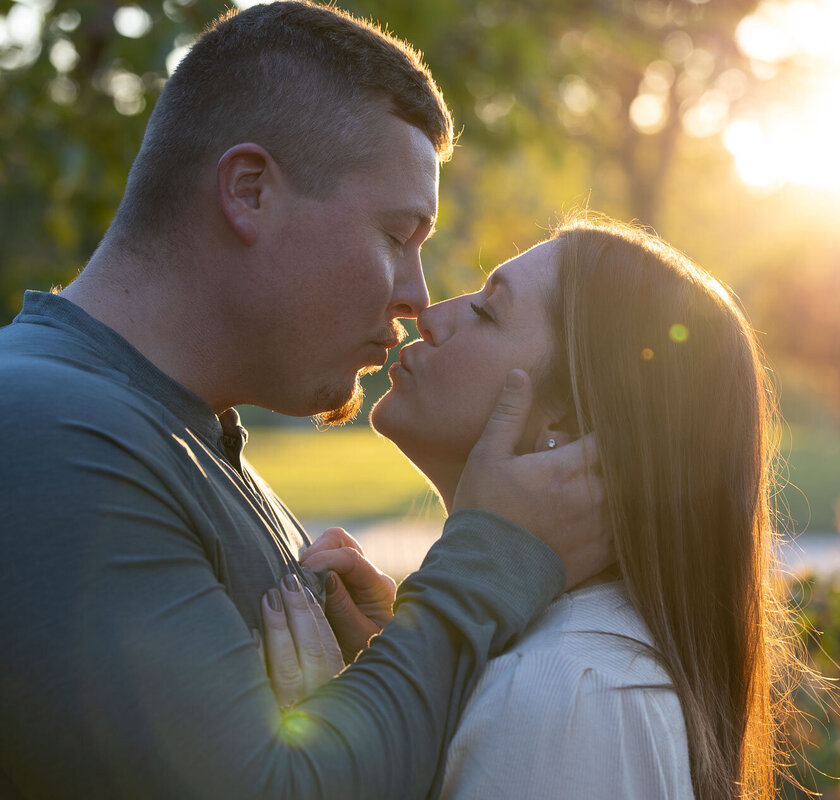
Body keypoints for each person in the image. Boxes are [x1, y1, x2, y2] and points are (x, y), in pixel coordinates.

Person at [0, 3, 608, 797]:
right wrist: (488, 562)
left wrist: (382, 670)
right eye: (397, 235)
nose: (414, 296)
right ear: (249, 191)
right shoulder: (51, 434)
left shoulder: (181, 438)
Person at [275, 214, 805, 799]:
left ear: (566, 427)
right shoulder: (559, 670)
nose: (428, 316)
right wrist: (396, 688)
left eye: (485, 311)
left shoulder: (566, 696)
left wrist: (326, 766)